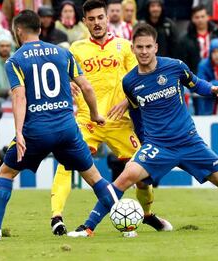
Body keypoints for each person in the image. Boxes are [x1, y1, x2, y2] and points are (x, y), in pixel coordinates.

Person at [67, 23, 218, 238]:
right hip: (158, 145)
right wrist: (144, 140)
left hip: (189, 142)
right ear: (133, 48)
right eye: (139, 47)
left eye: (148, 47)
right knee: (125, 178)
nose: (144, 52)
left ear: (156, 47)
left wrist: (212, 89)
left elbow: (196, 83)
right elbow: (136, 112)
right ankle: (87, 227)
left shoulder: (175, 66)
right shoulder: (130, 81)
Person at [0, 9, 134, 242]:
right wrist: (95, 114)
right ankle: (127, 223)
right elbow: (87, 87)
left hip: (37, 131)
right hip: (67, 129)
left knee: (6, 172)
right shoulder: (63, 53)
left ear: (18, 31)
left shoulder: (15, 60)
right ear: (40, 30)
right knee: (95, 178)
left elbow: (19, 97)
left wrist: (19, 132)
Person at [51, 0, 171, 237]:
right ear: (85, 22)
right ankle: (57, 218)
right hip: (87, 121)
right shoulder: (76, 49)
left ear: (107, 19)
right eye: (91, 19)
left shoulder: (124, 47)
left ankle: (146, 214)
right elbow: (60, 76)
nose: (96, 23)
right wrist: (68, 83)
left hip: (119, 121)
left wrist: (128, 100)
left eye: (100, 18)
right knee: (66, 164)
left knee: (142, 171)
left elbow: (140, 77)